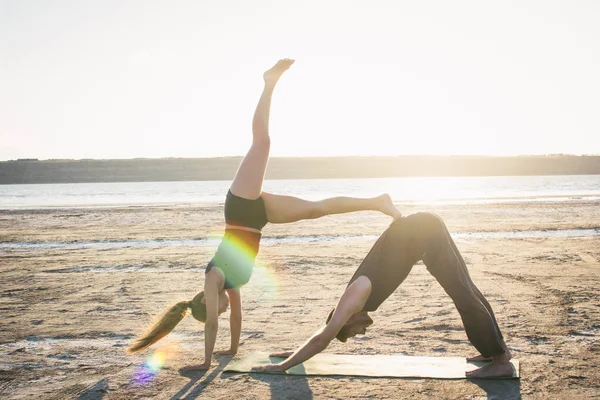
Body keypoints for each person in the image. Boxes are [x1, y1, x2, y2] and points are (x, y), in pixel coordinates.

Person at [126, 59, 401, 370]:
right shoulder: (230, 284)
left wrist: (205, 362)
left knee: (263, 142)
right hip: (257, 221)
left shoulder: (212, 278)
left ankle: (269, 82)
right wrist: (230, 350)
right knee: (316, 209)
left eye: (219, 309)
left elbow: (213, 324)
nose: (225, 310)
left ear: (205, 301)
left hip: (240, 208)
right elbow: (237, 317)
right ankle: (377, 201)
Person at [252, 212, 513, 378]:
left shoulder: (354, 297)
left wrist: (282, 366)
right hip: (423, 229)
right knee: (467, 290)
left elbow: (322, 338)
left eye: (353, 333)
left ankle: (499, 360)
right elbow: (324, 333)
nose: (362, 334)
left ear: (346, 320)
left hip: (423, 232)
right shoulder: (358, 302)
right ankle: (496, 352)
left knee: (464, 296)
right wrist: (289, 354)